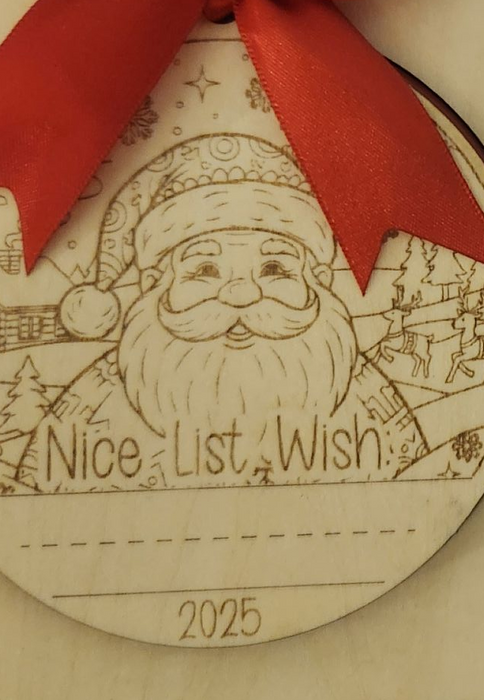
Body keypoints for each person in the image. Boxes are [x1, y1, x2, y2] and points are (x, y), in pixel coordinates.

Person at [36, 134, 426, 490]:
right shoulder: (89, 405)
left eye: (274, 268)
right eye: (205, 270)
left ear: (317, 282)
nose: (241, 294)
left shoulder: (371, 401)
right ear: (154, 286)